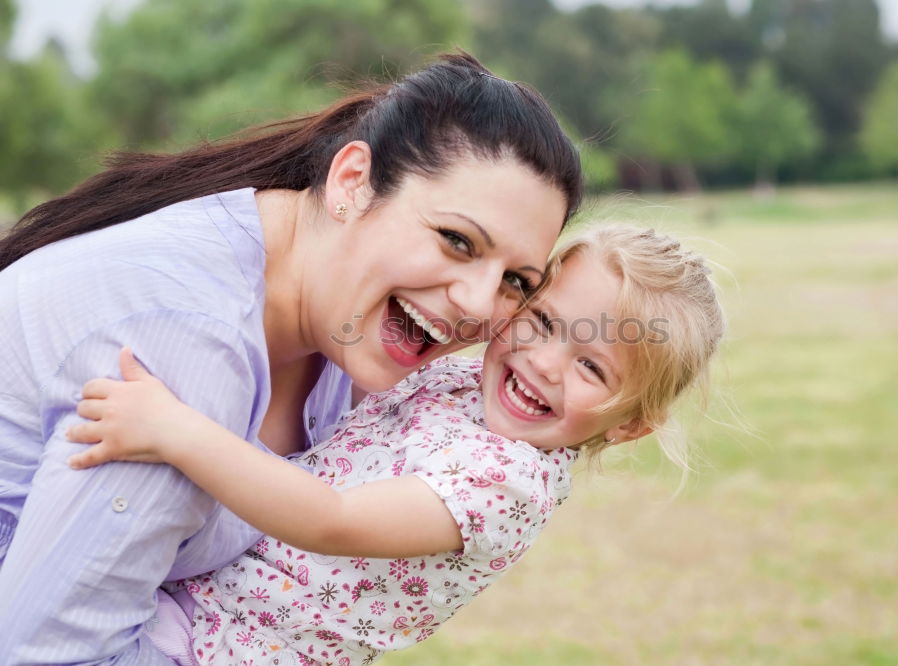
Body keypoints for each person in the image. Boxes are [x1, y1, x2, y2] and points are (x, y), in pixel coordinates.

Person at [0, 52, 582, 664]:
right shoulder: (186, 346)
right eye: (456, 240)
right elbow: (47, 653)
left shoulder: (342, 328)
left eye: (516, 280)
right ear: (352, 182)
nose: (476, 303)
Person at [65, 225, 727, 665]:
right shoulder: (475, 380)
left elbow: (333, 519)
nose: (545, 363)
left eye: (592, 367)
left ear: (631, 423)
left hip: (224, 648)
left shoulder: (506, 484)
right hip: (195, 593)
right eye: (545, 322)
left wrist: (178, 432)